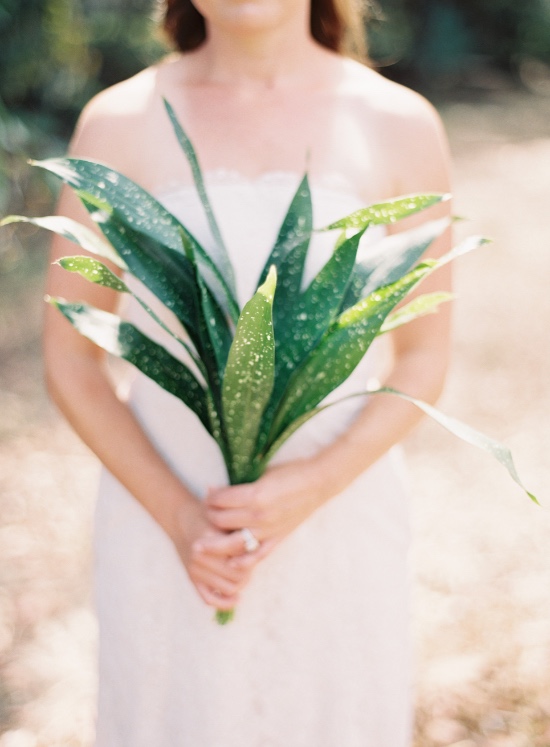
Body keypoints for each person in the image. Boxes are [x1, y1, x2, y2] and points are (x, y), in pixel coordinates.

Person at [44, 0, 452, 744]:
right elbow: (72, 354)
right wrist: (178, 516)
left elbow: (425, 356)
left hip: (339, 517)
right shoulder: (119, 120)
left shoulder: (400, 122)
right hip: (163, 513)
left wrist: (317, 482)